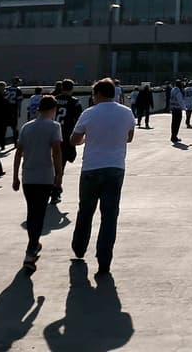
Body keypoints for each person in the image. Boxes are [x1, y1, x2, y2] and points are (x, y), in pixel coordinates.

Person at [70, 77, 136, 274]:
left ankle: (79, 248)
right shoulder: (126, 113)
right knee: (109, 215)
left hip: (91, 168)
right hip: (115, 168)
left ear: (98, 94)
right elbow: (130, 138)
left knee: (86, 210)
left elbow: (74, 140)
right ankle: (104, 258)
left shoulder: (89, 113)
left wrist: (86, 140)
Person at [12, 94, 63, 271]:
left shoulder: (26, 127)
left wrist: (15, 177)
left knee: (31, 212)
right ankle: (30, 250)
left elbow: (18, 153)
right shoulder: (54, 127)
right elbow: (56, 151)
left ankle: (34, 244)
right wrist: (59, 174)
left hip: (28, 177)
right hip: (44, 177)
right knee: (39, 214)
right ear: (52, 110)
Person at [53, 80, 85, 202]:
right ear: (72, 89)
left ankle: (52, 188)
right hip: (65, 137)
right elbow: (79, 121)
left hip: (51, 135)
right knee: (60, 167)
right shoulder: (75, 102)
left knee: (51, 165)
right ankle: (56, 190)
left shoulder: (53, 99)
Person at [5, 77, 23, 145]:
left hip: (6, 108)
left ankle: (2, 143)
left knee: (4, 126)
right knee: (14, 126)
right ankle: (15, 142)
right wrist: (19, 111)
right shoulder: (18, 90)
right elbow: (19, 102)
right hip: (13, 108)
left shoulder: (7, 89)